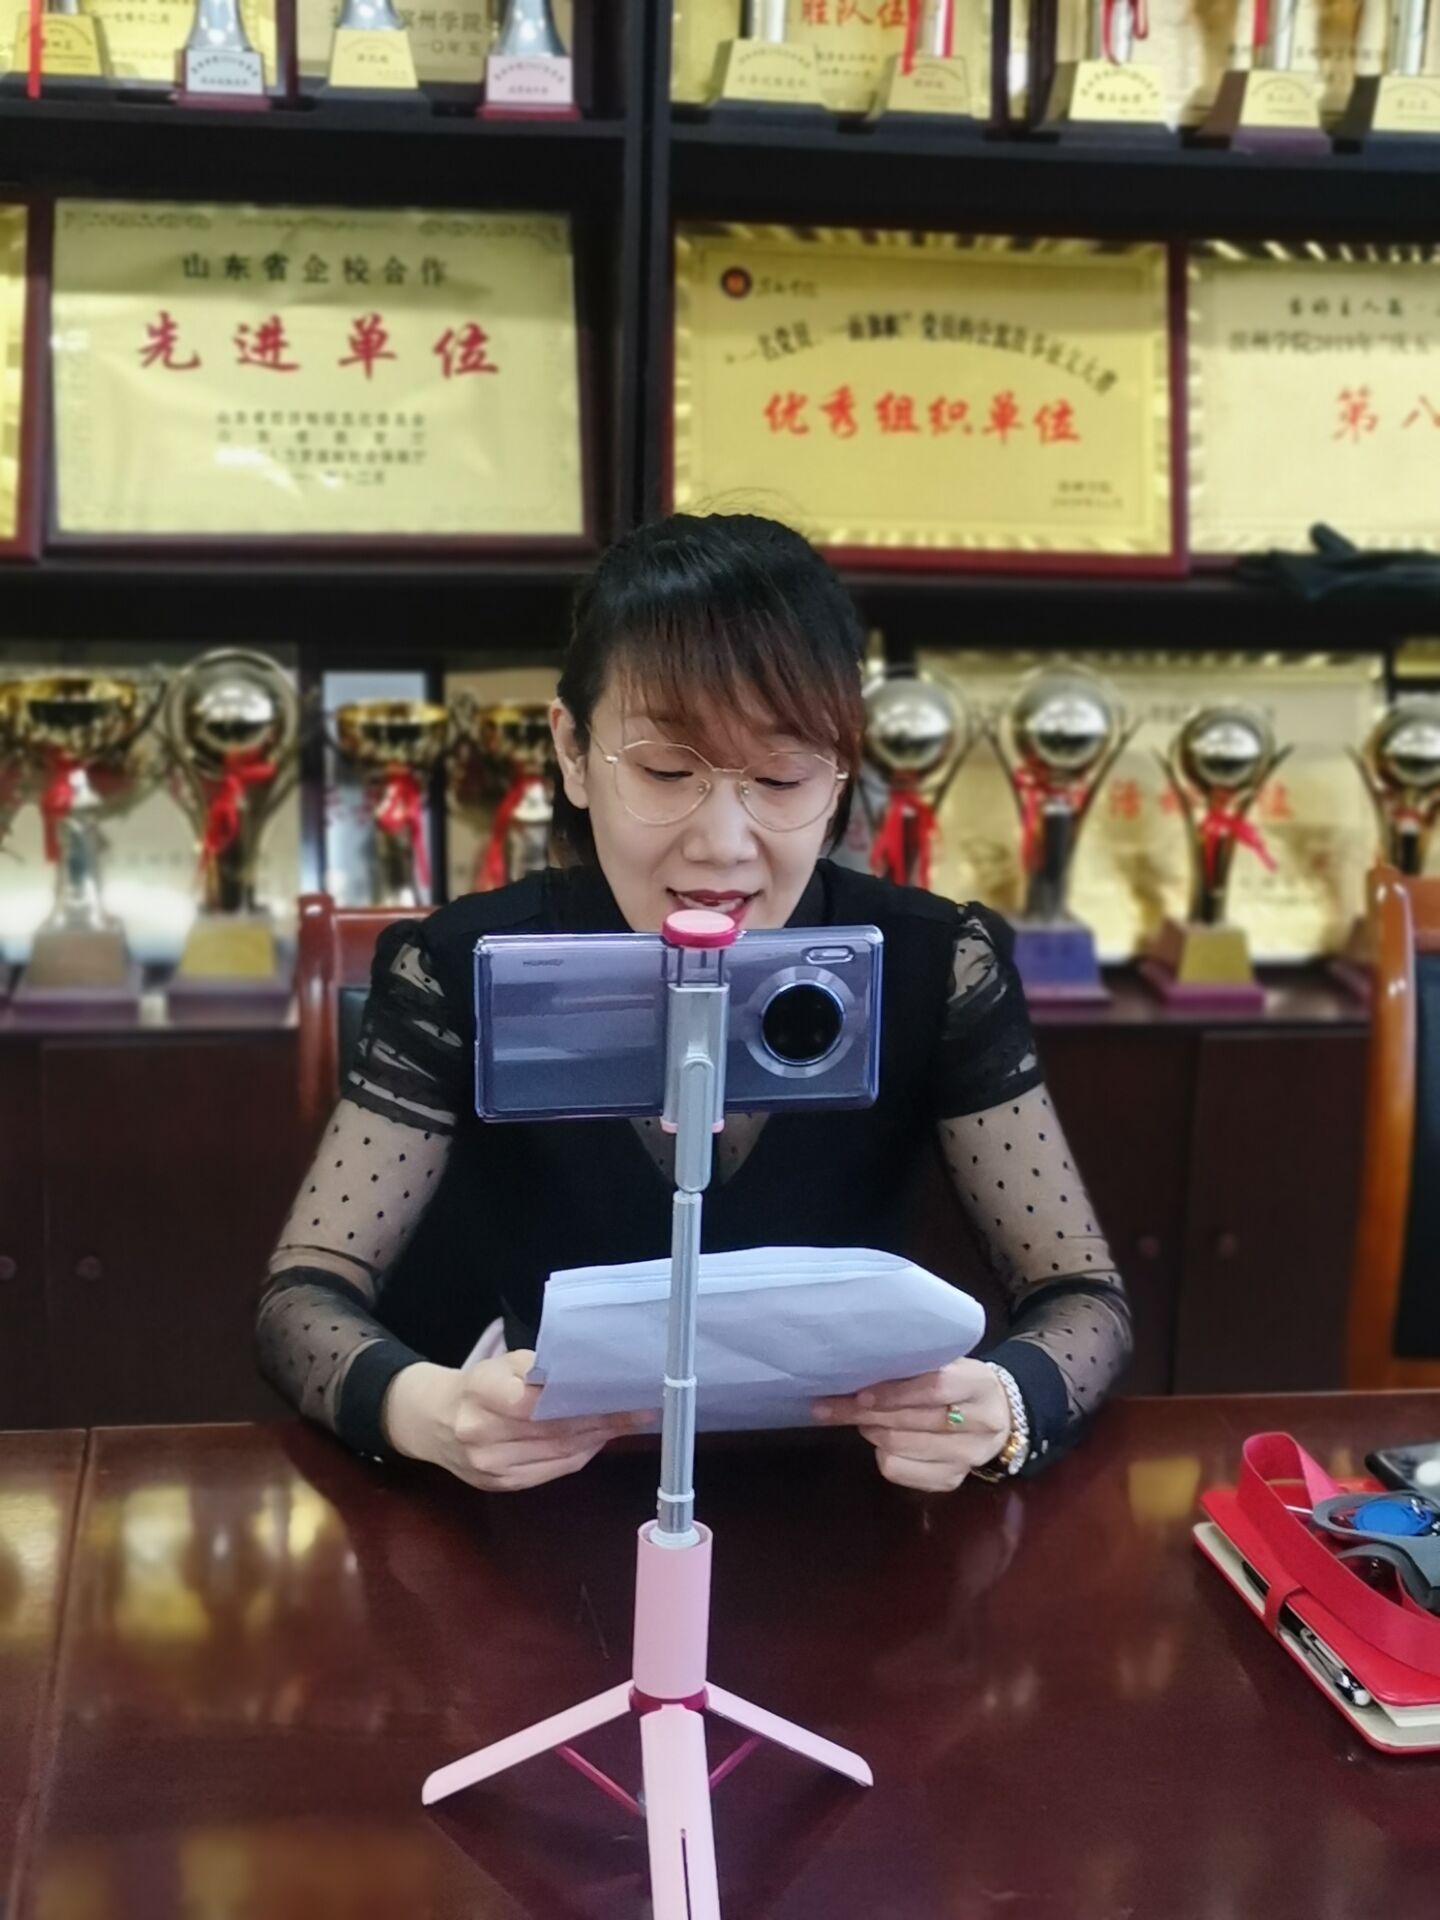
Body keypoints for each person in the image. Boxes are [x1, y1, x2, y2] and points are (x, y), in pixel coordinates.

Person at [258, 513, 1132, 1496]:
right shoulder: (461, 968)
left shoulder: (935, 964)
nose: (722, 843)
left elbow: (1082, 1295)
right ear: (574, 752)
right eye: (668, 772)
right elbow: (304, 1296)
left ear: (840, 773)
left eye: (781, 777)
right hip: (557, 1491)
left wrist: (1001, 1405)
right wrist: (430, 1410)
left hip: (845, 1496)